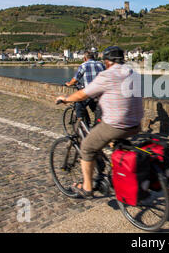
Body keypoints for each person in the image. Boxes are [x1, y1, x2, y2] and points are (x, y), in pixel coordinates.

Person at [56, 46, 143, 198]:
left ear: (108, 61)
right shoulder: (133, 73)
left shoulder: (108, 74)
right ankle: (117, 174)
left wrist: (66, 99)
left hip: (116, 125)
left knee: (87, 147)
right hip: (135, 124)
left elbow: (83, 94)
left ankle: (87, 188)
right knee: (111, 143)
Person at [65, 51, 105, 126]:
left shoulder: (84, 65)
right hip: (101, 92)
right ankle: (97, 122)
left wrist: (69, 83)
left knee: (78, 103)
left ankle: (82, 122)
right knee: (95, 107)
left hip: (90, 93)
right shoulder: (101, 64)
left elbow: (76, 79)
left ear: (85, 58)